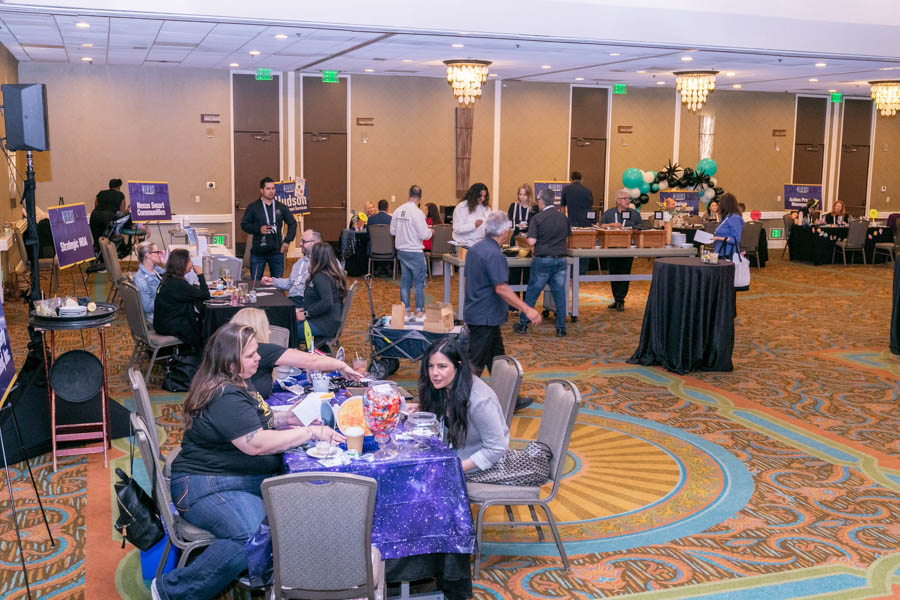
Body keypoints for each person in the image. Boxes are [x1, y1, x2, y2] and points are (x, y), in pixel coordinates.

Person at [152, 323, 344, 600]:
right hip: (203, 486)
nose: (258, 358)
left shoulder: (236, 380)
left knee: (292, 505)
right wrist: (309, 432)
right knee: (251, 536)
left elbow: (255, 419)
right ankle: (172, 591)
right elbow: (255, 443)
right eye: (251, 355)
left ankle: (266, 574)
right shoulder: (224, 394)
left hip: (229, 478)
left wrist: (288, 418)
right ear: (230, 361)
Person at [465, 211, 542, 376]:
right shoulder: (494, 254)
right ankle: (460, 393)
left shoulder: (474, 249)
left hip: (479, 313)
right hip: (485, 317)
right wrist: (527, 309)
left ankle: (505, 392)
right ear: (504, 232)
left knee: (498, 362)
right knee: (473, 368)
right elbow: (501, 288)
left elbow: (467, 280)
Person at [416, 338, 509, 472]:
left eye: (442, 366)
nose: (434, 373)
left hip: (478, 466)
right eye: (430, 366)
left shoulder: (479, 400)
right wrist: (419, 408)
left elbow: (497, 448)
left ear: (458, 366)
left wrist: (454, 468)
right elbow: (448, 412)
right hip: (453, 454)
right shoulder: (446, 386)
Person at [229, 308, 362, 398]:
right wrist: (342, 365)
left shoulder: (232, 348)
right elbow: (311, 360)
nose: (269, 332)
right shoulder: (261, 349)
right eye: (266, 327)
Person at [513, 188, 570, 337]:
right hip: (561, 260)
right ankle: (561, 328)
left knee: (532, 293)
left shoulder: (537, 218)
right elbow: (567, 237)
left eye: (538, 200)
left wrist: (526, 237)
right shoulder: (563, 217)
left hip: (543, 261)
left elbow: (532, 242)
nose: (537, 203)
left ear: (542, 201)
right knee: (559, 295)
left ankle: (523, 325)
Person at [240, 177, 298, 280]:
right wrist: (258, 229)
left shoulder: (281, 207)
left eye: (273, 188)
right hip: (258, 252)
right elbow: (244, 225)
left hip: (277, 252)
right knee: (256, 283)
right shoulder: (253, 207)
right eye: (268, 188)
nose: (271, 191)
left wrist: (287, 241)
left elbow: (293, 223)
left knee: (277, 283)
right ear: (261, 190)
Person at [153, 249, 210, 349]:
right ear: (182, 264)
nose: (192, 263)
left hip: (161, 323)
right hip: (171, 325)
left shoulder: (168, 278)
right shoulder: (178, 284)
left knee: (200, 319)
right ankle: (202, 352)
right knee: (207, 326)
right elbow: (205, 294)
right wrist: (200, 275)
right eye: (189, 260)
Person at [390, 185, 432, 319]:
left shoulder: (398, 210)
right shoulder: (418, 213)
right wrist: (431, 232)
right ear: (420, 198)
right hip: (415, 251)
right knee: (419, 283)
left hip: (402, 252)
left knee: (405, 282)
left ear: (408, 194)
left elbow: (392, 231)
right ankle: (419, 312)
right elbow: (424, 235)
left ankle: (406, 311)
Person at [600, 188, 644, 312]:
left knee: (625, 273)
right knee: (613, 273)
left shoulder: (634, 214)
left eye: (628, 198)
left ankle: (621, 300)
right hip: (612, 248)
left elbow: (641, 226)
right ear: (617, 200)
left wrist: (631, 228)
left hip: (627, 248)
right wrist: (612, 225)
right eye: (624, 198)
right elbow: (600, 225)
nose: (628, 200)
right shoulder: (609, 213)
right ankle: (617, 298)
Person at [295, 242, 346, 342]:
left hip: (324, 323)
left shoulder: (321, 277)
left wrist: (305, 314)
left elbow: (327, 302)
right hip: (328, 320)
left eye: (311, 254)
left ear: (317, 258)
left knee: (288, 332)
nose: (309, 257)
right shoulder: (329, 273)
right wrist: (305, 309)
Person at [261, 229, 320, 308]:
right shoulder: (299, 262)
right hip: (292, 300)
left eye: (304, 242)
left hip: (307, 303)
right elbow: (290, 283)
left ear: (315, 243)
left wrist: (306, 312)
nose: (300, 244)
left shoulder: (325, 263)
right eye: (301, 241)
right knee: (265, 305)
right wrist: (273, 281)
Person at [561, 172, 596, 275]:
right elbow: (590, 207)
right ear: (582, 179)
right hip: (586, 223)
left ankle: (572, 271)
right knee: (585, 246)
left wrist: (564, 221)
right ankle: (582, 270)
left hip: (572, 222)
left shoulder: (566, 189)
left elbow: (562, 207)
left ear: (571, 180)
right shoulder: (588, 191)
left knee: (572, 246)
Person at [507, 184, 535, 298]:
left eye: (524, 195)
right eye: (520, 194)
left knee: (528, 273)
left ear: (529, 195)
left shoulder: (534, 208)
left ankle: (527, 301)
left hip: (528, 243)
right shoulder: (513, 206)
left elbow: (537, 225)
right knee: (514, 273)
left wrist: (529, 228)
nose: (522, 197)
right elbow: (508, 223)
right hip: (515, 240)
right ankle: (513, 303)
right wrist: (514, 226)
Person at [132, 240, 165, 326]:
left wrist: (166, 263)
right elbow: (147, 307)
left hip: (163, 310)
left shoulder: (155, 269)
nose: (160, 254)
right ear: (148, 255)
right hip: (157, 317)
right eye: (157, 252)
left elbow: (172, 275)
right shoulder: (140, 279)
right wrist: (165, 296)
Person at [89, 178, 126, 252]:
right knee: (108, 241)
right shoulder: (120, 194)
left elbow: (96, 206)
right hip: (108, 217)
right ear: (119, 187)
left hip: (95, 216)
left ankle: (97, 254)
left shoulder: (101, 193)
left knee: (97, 241)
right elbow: (121, 210)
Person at [452, 183, 491, 247]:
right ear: (473, 195)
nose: (482, 199)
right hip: (464, 244)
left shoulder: (486, 208)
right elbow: (457, 228)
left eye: (484, 196)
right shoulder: (462, 207)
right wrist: (474, 225)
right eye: (480, 196)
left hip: (480, 244)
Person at [714, 193, 744, 258]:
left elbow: (736, 239)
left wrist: (719, 238)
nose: (718, 206)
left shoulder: (735, 218)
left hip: (729, 253)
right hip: (721, 251)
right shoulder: (726, 217)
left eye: (720, 203)